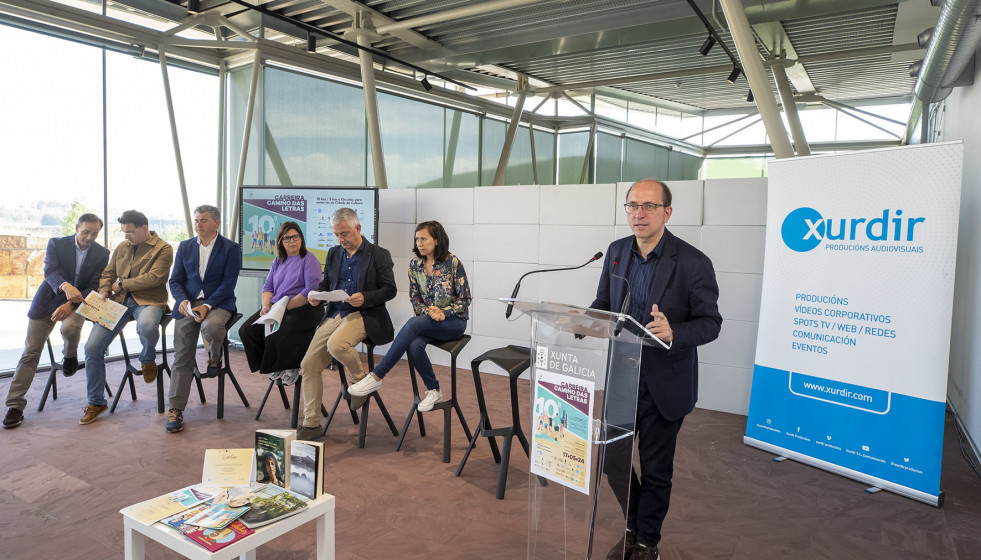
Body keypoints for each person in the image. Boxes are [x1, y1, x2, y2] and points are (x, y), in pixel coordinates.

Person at [592, 179, 721, 560]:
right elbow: (604, 301)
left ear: (667, 212)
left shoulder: (694, 262)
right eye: (632, 205)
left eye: (648, 206)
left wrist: (675, 331)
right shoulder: (617, 252)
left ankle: (647, 541)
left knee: (655, 469)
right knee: (612, 461)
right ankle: (633, 525)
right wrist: (586, 319)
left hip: (664, 382)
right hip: (622, 377)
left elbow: (711, 323)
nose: (639, 213)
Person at [348, 221, 471, 413]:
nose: (419, 243)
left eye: (424, 239)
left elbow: (465, 299)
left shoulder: (452, 262)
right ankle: (434, 390)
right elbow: (415, 300)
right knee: (414, 346)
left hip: (454, 322)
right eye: (417, 239)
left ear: (437, 240)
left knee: (413, 324)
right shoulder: (415, 265)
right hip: (428, 321)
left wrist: (443, 312)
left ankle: (377, 376)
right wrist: (429, 312)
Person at [296, 208, 397, 441]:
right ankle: (311, 424)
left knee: (336, 345)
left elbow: (390, 290)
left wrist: (366, 297)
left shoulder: (379, 254)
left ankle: (359, 380)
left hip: (364, 313)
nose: (341, 239)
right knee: (308, 364)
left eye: (344, 234)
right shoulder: (333, 253)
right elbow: (326, 283)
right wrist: (317, 295)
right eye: (336, 234)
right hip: (334, 313)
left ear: (358, 228)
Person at [3, 214, 110, 430]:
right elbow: (50, 270)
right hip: (49, 299)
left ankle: (70, 356)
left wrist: (71, 304)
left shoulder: (102, 253)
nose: (89, 237)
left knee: (70, 327)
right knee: (31, 352)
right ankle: (15, 406)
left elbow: (94, 284)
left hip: (79, 303)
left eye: (94, 234)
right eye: (85, 232)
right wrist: (65, 286)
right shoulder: (56, 244)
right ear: (76, 227)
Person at [81, 210, 173, 425]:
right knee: (92, 348)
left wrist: (122, 284)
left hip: (149, 300)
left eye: (130, 232)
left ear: (144, 228)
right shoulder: (123, 247)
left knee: (148, 326)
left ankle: (147, 359)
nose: (126, 237)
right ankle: (96, 402)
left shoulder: (164, 248)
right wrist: (105, 289)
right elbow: (108, 273)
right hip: (118, 301)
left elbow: (155, 278)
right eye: (123, 232)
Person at [165, 205, 241, 434]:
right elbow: (175, 280)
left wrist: (207, 306)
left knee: (212, 326)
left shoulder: (231, 248)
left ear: (217, 223)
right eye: (196, 220)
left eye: (204, 220)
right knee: (182, 356)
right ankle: (176, 409)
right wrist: (182, 301)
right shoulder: (186, 246)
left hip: (218, 303)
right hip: (188, 305)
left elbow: (229, 283)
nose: (198, 224)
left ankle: (214, 357)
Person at [238, 221, 321, 384]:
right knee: (247, 330)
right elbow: (268, 287)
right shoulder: (278, 260)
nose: (292, 241)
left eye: (296, 237)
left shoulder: (308, 258)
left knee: (277, 329)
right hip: (277, 306)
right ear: (280, 242)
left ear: (301, 238)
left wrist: (284, 307)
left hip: (303, 306)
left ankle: (291, 366)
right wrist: (266, 306)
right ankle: (272, 365)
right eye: (287, 238)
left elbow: (310, 289)